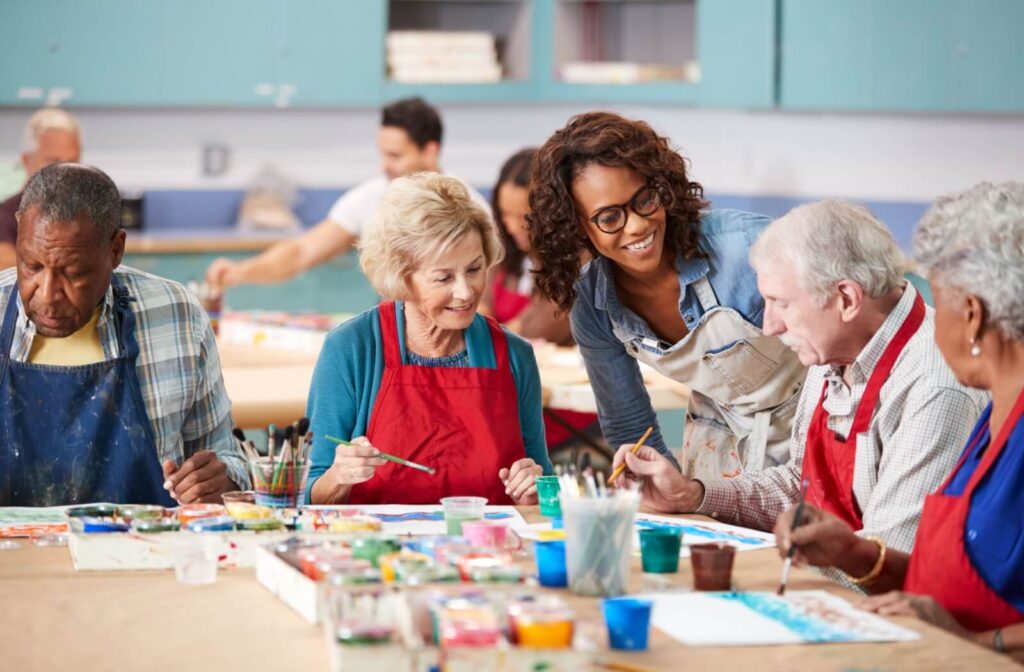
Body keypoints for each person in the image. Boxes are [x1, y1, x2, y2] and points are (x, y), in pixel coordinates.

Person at [611, 201, 985, 558]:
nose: (770, 326)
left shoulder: (933, 385)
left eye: (781, 303)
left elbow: (889, 558)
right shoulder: (836, 344)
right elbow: (800, 486)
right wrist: (692, 495)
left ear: (846, 299)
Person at [773, 183, 1024, 661]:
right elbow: (944, 584)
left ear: (971, 316)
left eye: (940, 302)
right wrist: (854, 553)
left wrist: (975, 645)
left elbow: (967, 622)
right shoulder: (995, 415)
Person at [528, 112, 807, 480]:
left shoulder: (746, 249)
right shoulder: (594, 305)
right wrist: (672, 492)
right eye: (609, 218)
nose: (637, 225)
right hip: (720, 443)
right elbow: (630, 428)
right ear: (577, 228)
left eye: (645, 199)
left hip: (815, 423)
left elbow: (849, 343)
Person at [0, 164, 248, 506]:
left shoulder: (176, 315)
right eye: (32, 266)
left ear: (116, 250)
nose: (48, 294)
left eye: (73, 273)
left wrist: (223, 481)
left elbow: (230, 460)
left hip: (144, 538)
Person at [305, 172, 551, 505]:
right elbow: (310, 495)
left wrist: (536, 488)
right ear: (402, 277)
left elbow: (546, 487)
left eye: (474, 269)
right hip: (377, 539)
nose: (465, 292)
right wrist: (339, 476)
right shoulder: (350, 349)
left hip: (484, 538)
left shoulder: (515, 355)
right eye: (443, 278)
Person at [206, 97, 485, 288]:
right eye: (382, 154)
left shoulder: (470, 209)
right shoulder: (372, 198)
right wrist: (241, 271)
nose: (384, 165)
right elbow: (300, 252)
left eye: (395, 155)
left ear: (430, 150)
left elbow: (483, 296)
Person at [482, 148, 599, 451]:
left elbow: (534, 328)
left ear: (551, 212)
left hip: (565, 416)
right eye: (504, 214)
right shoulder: (503, 253)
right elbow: (479, 310)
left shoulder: (577, 262)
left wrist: (489, 330)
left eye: (522, 217)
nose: (511, 226)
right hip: (511, 400)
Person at [0, 108, 82, 270]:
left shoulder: (89, 214)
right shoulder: (4, 218)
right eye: (53, 162)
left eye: (72, 162)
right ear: (26, 161)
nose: (64, 172)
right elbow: (5, 268)